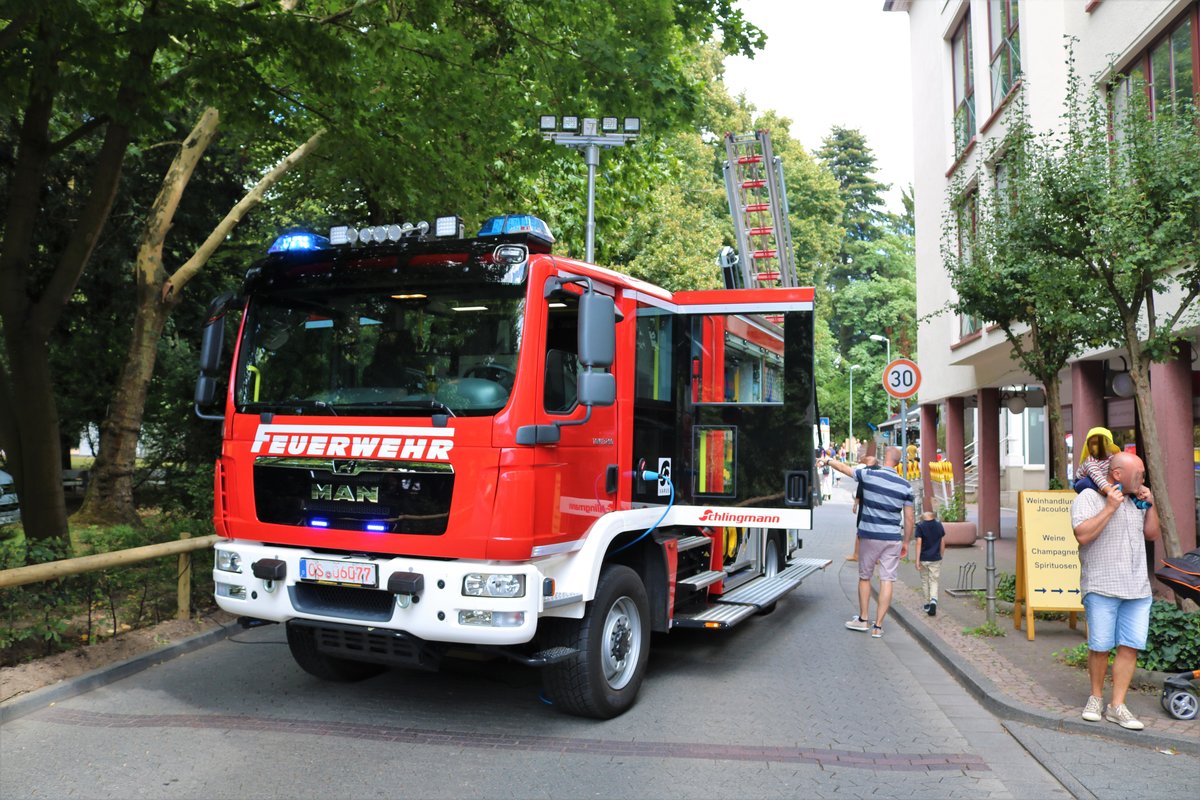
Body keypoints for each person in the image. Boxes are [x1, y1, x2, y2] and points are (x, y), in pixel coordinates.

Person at [1071, 452, 1160, 731]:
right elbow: (1082, 535)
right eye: (1140, 474)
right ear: (1117, 474)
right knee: (1100, 646)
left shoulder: (1138, 500)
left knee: (1130, 647)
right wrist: (1110, 507)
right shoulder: (1088, 497)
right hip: (1102, 584)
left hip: (1137, 587)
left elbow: (1152, 534)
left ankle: (1117, 705)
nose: (1143, 478)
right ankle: (1096, 698)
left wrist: (1152, 504)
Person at [822, 446, 914, 639]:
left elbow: (846, 469)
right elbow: (910, 519)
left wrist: (827, 461)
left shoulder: (869, 475)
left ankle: (863, 620)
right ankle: (878, 626)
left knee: (865, 577)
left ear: (884, 458)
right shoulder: (906, 486)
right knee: (887, 579)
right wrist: (906, 542)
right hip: (892, 538)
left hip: (870, 535)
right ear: (898, 463)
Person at [847, 455, 879, 561]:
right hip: (877, 505)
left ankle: (856, 555)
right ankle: (876, 558)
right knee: (876, 530)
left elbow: (860, 489)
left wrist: (856, 503)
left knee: (860, 529)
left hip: (865, 504)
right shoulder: (881, 471)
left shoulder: (864, 472)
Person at [1074, 426, 1121, 497]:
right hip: (1085, 482)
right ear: (1088, 446)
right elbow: (1098, 477)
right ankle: (1102, 491)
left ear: (1108, 444)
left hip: (1105, 480)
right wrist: (1111, 493)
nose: (1096, 447)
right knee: (1086, 482)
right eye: (1093, 444)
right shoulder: (1090, 461)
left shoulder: (1113, 458)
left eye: (1100, 443)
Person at [914, 510, 946, 616]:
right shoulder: (938, 525)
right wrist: (941, 555)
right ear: (933, 517)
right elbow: (942, 542)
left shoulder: (920, 526)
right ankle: (933, 600)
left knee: (925, 580)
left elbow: (919, 543)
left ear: (923, 518)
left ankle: (927, 603)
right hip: (935, 558)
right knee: (934, 580)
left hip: (924, 558)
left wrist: (917, 560)